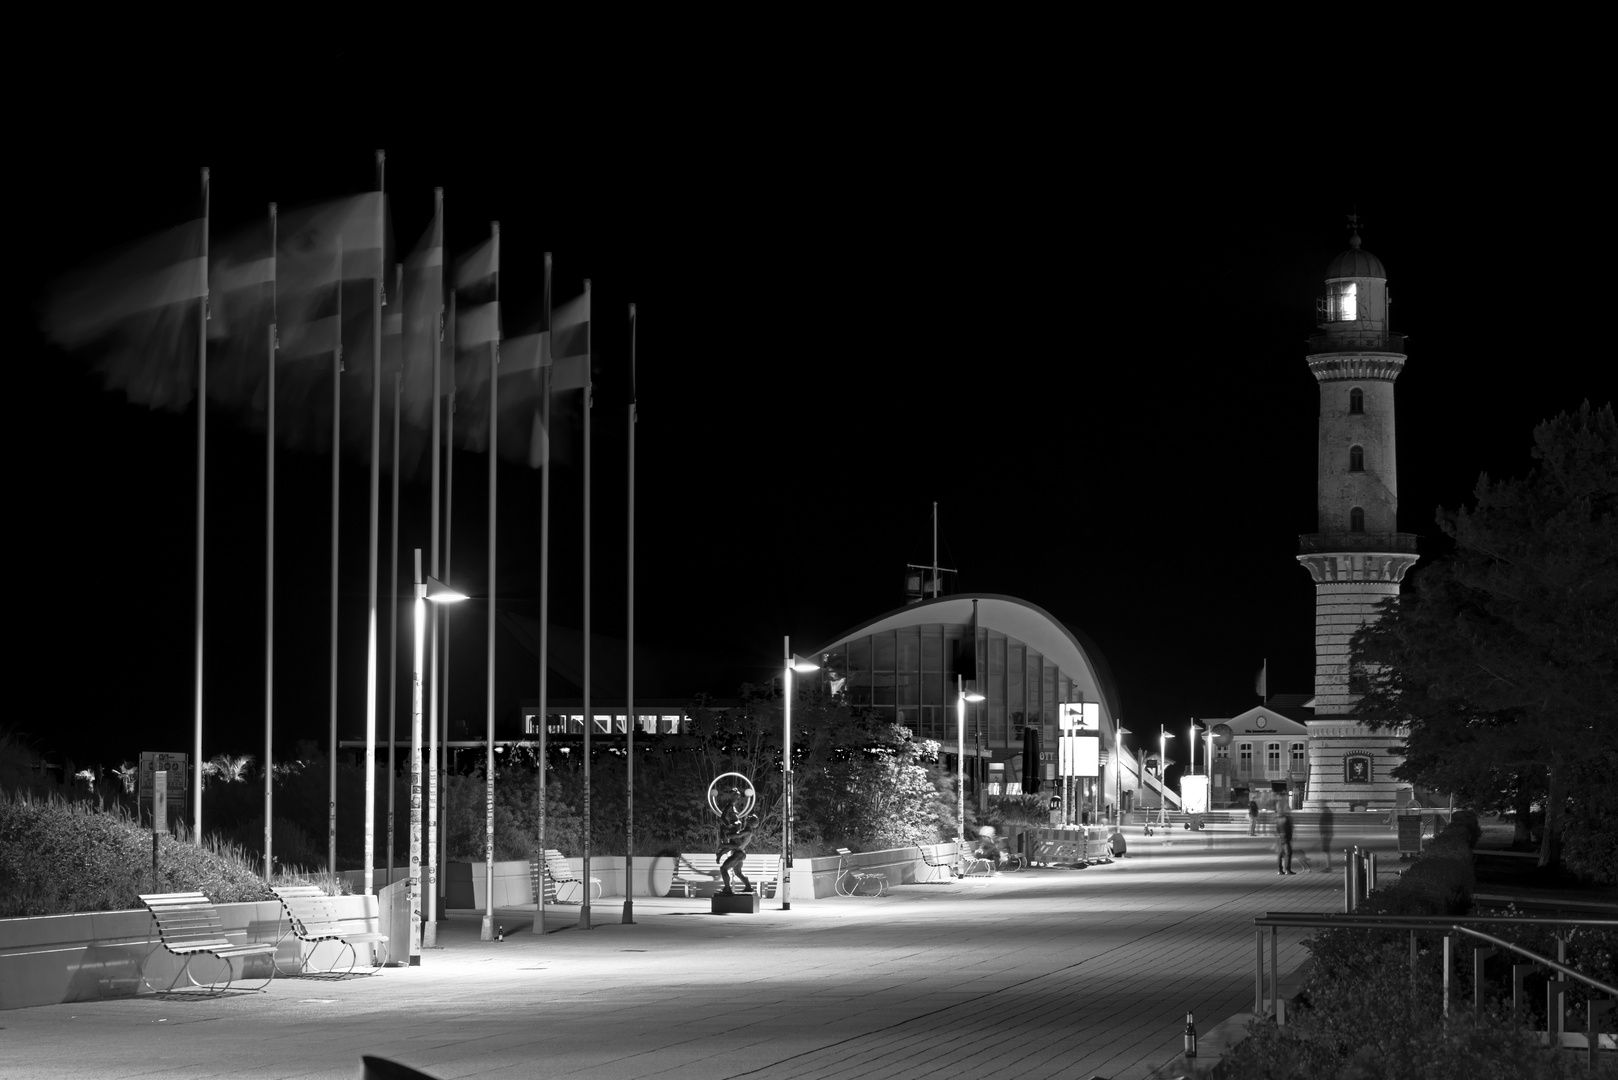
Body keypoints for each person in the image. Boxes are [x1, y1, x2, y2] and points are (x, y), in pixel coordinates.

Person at [716, 809, 759, 894]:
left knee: (723, 869)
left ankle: (727, 888)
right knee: (738, 872)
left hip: (738, 854)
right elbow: (736, 841)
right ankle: (748, 887)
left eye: (750, 817)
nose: (749, 816)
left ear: (750, 822)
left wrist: (729, 835)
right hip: (740, 853)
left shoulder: (747, 830)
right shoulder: (746, 829)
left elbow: (737, 835)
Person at [1276, 808, 1295, 875]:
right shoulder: (1286, 819)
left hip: (1280, 838)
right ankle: (1287, 869)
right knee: (1288, 853)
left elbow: (1277, 829)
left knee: (1280, 854)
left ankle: (1280, 870)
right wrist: (1289, 837)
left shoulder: (1278, 819)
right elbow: (1289, 830)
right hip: (1286, 838)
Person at [1318, 804, 1335, 871]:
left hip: (1326, 834)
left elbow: (1325, 824)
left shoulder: (1326, 813)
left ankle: (1328, 867)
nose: (1318, 806)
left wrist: (1323, 833)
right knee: (1325, 850)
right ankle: (1327, 866)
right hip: (1327, 833)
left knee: (1326, 850)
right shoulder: (1327, 813)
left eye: (1319, 804)